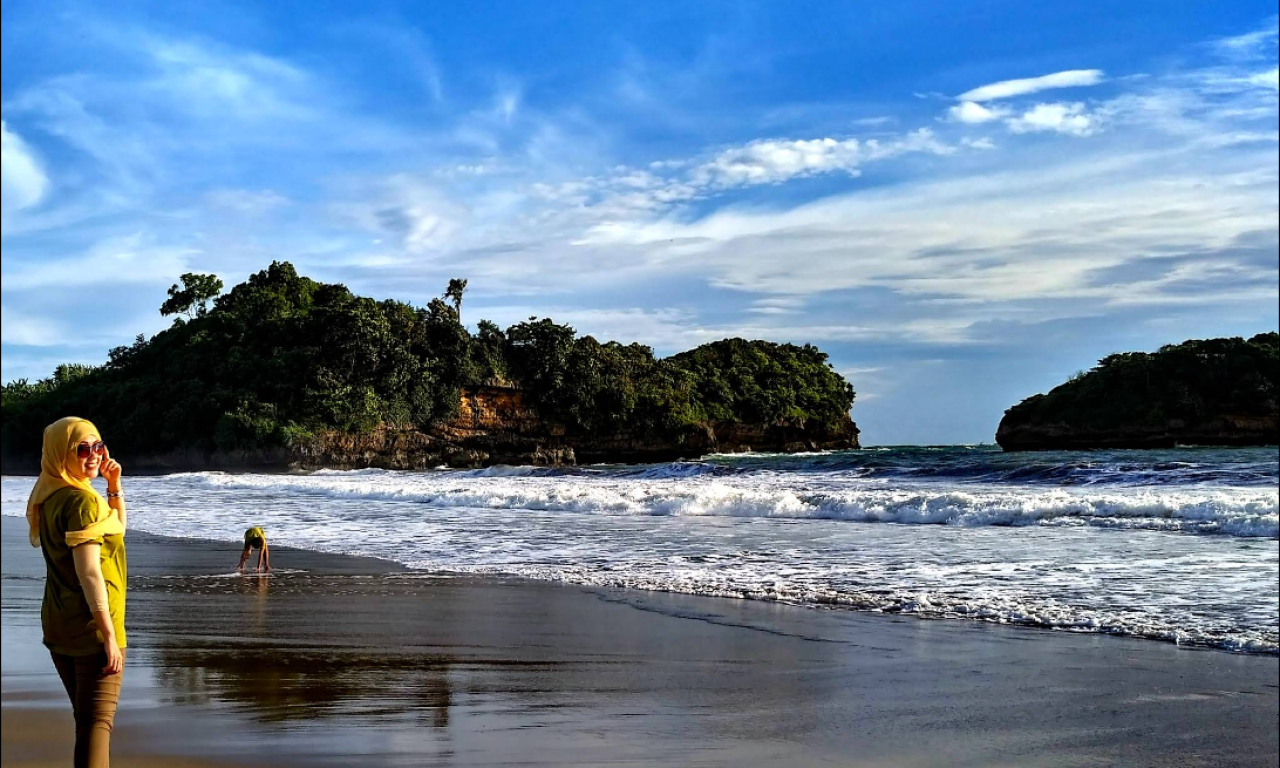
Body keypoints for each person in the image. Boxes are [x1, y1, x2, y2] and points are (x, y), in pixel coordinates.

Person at [26, 416, 127, 768]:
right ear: (61, 453)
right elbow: (89, 573)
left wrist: (114, 486)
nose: (94, 455)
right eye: (82, 449)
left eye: (98, 446)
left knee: (86, 724)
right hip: (91, 630)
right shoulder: (82, 503)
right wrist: (109, 635)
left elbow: (115, 529)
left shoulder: (50, 495)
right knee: (97, 727)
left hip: (60, 625)